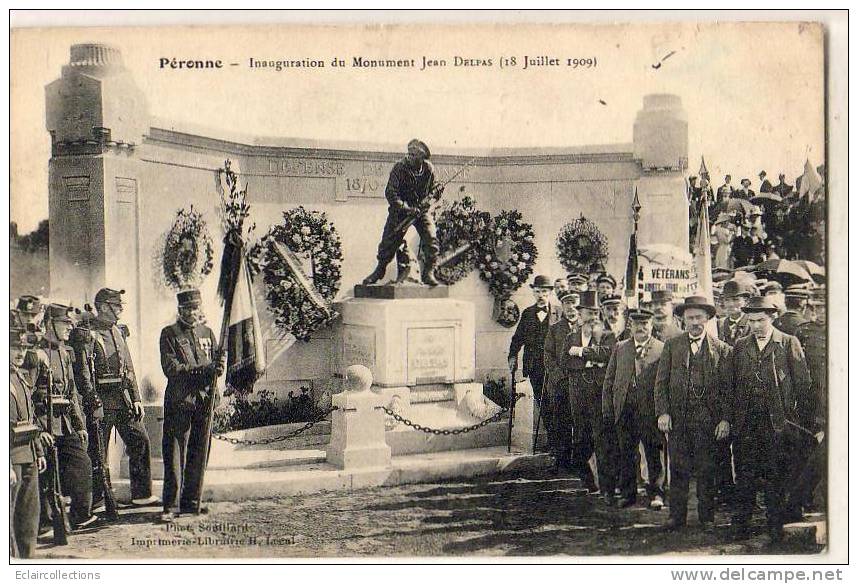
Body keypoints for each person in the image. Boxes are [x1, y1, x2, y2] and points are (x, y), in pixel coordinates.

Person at [722, 297, 813, 544]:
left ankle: (775, 525)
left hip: (777, 423)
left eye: (761, 320)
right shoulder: (740, 346)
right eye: (751, 321)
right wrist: (730, 419)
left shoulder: (787, 343)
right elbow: (731, 385)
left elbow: (803, 386)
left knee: (776, 475)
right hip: (747, 422)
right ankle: (741, 523)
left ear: (772, 318)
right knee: (745, 473)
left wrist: (797, 421)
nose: (756, 326)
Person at [73, 288, 159, 508]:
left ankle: (141, 495)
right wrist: (93, 403)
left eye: (121, 305)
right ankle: (100, 500)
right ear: (102, 306)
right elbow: (82, 373)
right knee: (98, 451)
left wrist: (137, 398)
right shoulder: (86, 333)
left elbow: (129, 367)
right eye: (116, 305)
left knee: (140, 440)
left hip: (123, 400)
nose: (121, 309)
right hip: (101, 401)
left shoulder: (119, 331)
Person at [654, 296, 732, 532]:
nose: (695, 322)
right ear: (682, 320)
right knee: (678, 469)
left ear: (707, 319)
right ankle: (676, 517)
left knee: (707, 470)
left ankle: (706, 517)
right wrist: (663, 413)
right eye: (690, 318)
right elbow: (661, 383)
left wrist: (725, 419)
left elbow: (729, 389)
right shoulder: (672, 346)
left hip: (708, 422)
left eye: (699, 317)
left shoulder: (722, 350)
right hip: (679, 420)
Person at [159, 289, 224, 523]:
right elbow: (172, 369)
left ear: (200, 308)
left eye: (195, 308)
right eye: (187, 308)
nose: (192, 312)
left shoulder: (208, 333)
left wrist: (219, 366)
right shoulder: (169, 334)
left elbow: (215, 363)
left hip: (204, 401)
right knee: (175, 455)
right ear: (180, 310)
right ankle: (170, 505)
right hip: (180, 402)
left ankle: (191, 502)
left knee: (200, 452)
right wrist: (204, 370)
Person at [34, 303, 98, 529]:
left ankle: (80, 515)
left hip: (65, 423)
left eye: (71, 323)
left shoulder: (65, 352)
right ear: (50, 323)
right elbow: (28, 395)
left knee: (83, 463)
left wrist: (80, 425)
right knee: (47, 476)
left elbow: (71, 392)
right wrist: (38, 431)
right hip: (44, 422)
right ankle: (45, 522)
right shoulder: (36, 354)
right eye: (65, 323)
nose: (70, 328)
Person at [602, 308, 665, 510]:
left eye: (645, 324)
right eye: (637, 324)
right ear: (630, 326)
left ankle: (657, 493)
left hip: (650, 412)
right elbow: (609, 380)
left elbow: (666, 384)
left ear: (651, 325)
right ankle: (628, 494)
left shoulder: (662, 349)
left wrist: (664, 411)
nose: (641, 328)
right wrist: (608, 409)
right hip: (625, 411)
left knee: (653, 453)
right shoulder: (620, 348)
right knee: (626, 454)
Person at [362, 139, 442, 286]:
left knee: (431, 238)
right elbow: (391, 193)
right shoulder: (399, 168)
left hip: (421, 211)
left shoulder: (429, 169)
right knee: (389, 241)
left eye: (413, 155)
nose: (409, 157)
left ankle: (429, 272)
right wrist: (406, 208)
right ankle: (380, 270)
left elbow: (434, 190)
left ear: (421, 158)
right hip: (401, 211)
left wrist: (434, 195)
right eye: (409, 153)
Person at [563, 290, 616, 497]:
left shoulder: (608, 336)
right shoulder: (571, 337)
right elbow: (565, 361)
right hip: (578, 394)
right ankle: (588, 482)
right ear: (580, 314)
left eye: (595, 312)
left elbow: (608, 354)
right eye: (588, 313)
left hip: (599, 394)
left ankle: (606, 486)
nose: (593, 317)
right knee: (581, 440)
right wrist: (592, 361)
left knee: (602, 440)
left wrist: (582, 352)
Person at [785, 287, 827, 520]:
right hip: (812, 402)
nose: (821, 311)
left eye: (825, 306)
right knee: (807, 453)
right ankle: (798, 503)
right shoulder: (804, 332)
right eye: (818, 307)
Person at [10, 322, 46, 558]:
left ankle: (27, 561)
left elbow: (31, 418)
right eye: (14, 347)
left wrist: (40, 451)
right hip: (11, 457)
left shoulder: (21, 378)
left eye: (23, 347)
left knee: (29, 514)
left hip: (29, 454)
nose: (20, 352)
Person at [508, 275, 560, 412]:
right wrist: (512, 356)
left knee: (556, 402)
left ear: (550, 293)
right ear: (533, 292)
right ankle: (551, 432)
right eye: (537, 291)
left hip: (554, 365)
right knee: (542, 404)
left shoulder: (558, 312)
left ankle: (556, 432)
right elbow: (518, 338)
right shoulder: (527, 313)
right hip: (534, 365)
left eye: (544, 292)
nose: (541, 295)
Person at [542, 290, 579, 470]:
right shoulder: (555, 329)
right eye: (567, 304)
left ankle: (581, 460)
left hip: (581, 384)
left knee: (581, 422)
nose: (571, 308)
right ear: (562, 307)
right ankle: (562, 459)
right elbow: (548, 356)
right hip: (560, 384)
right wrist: (558, 376)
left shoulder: (588, 329)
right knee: (561, 421)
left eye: (574, 303)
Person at [717, 280, 752, 346]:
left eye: (735, 299)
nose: (731, 304)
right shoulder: (720, 324)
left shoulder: (752, 323)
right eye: (727, 300)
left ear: (746, 301)